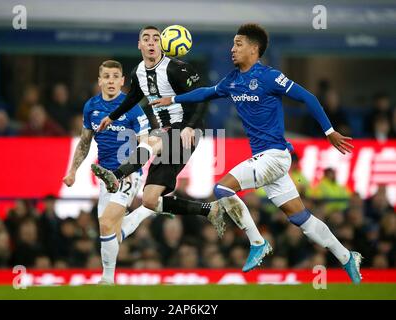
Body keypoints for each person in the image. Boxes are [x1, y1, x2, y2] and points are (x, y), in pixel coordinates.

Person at [152, 23, 362, 283]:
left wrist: (329, 131)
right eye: (232, 44)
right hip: (266, 160)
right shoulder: (232, 80)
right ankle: (346, 257)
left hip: (275, 155)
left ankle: (257, 242)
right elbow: (206, 92)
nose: (232, 49)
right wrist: (173, 100)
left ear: (254, 49)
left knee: (223, 189)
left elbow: (308, 97)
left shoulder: (270, 77)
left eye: (238, 44)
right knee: (301, 218)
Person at [92, 26, 226, 237]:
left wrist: (190, 127)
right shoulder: (138, 71)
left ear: (162, 44)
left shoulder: (177, 69)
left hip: (186, 129)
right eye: (147, 39)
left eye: (156, 38)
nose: (152, 42)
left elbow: (202, 98)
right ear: (140, 45)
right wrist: (111, 117)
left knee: (152, 141)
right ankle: (210, 210)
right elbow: (133, 98)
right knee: (150, 200)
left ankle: (116, 176)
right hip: (166, 130)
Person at [63, 60, 156, 284]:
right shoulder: (91, 107)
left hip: (127, 174)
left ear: (122, 81)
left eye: (116, 76)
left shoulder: (132, 107)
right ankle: (145, 211)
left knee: (106, 223)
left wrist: (134, 168)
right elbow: (85, 142)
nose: (111, 80)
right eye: (107, 76)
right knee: (111, 231)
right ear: (100, 81)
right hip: (104, 176)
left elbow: (146, 142)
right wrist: (72, 171)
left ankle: (106, 280)